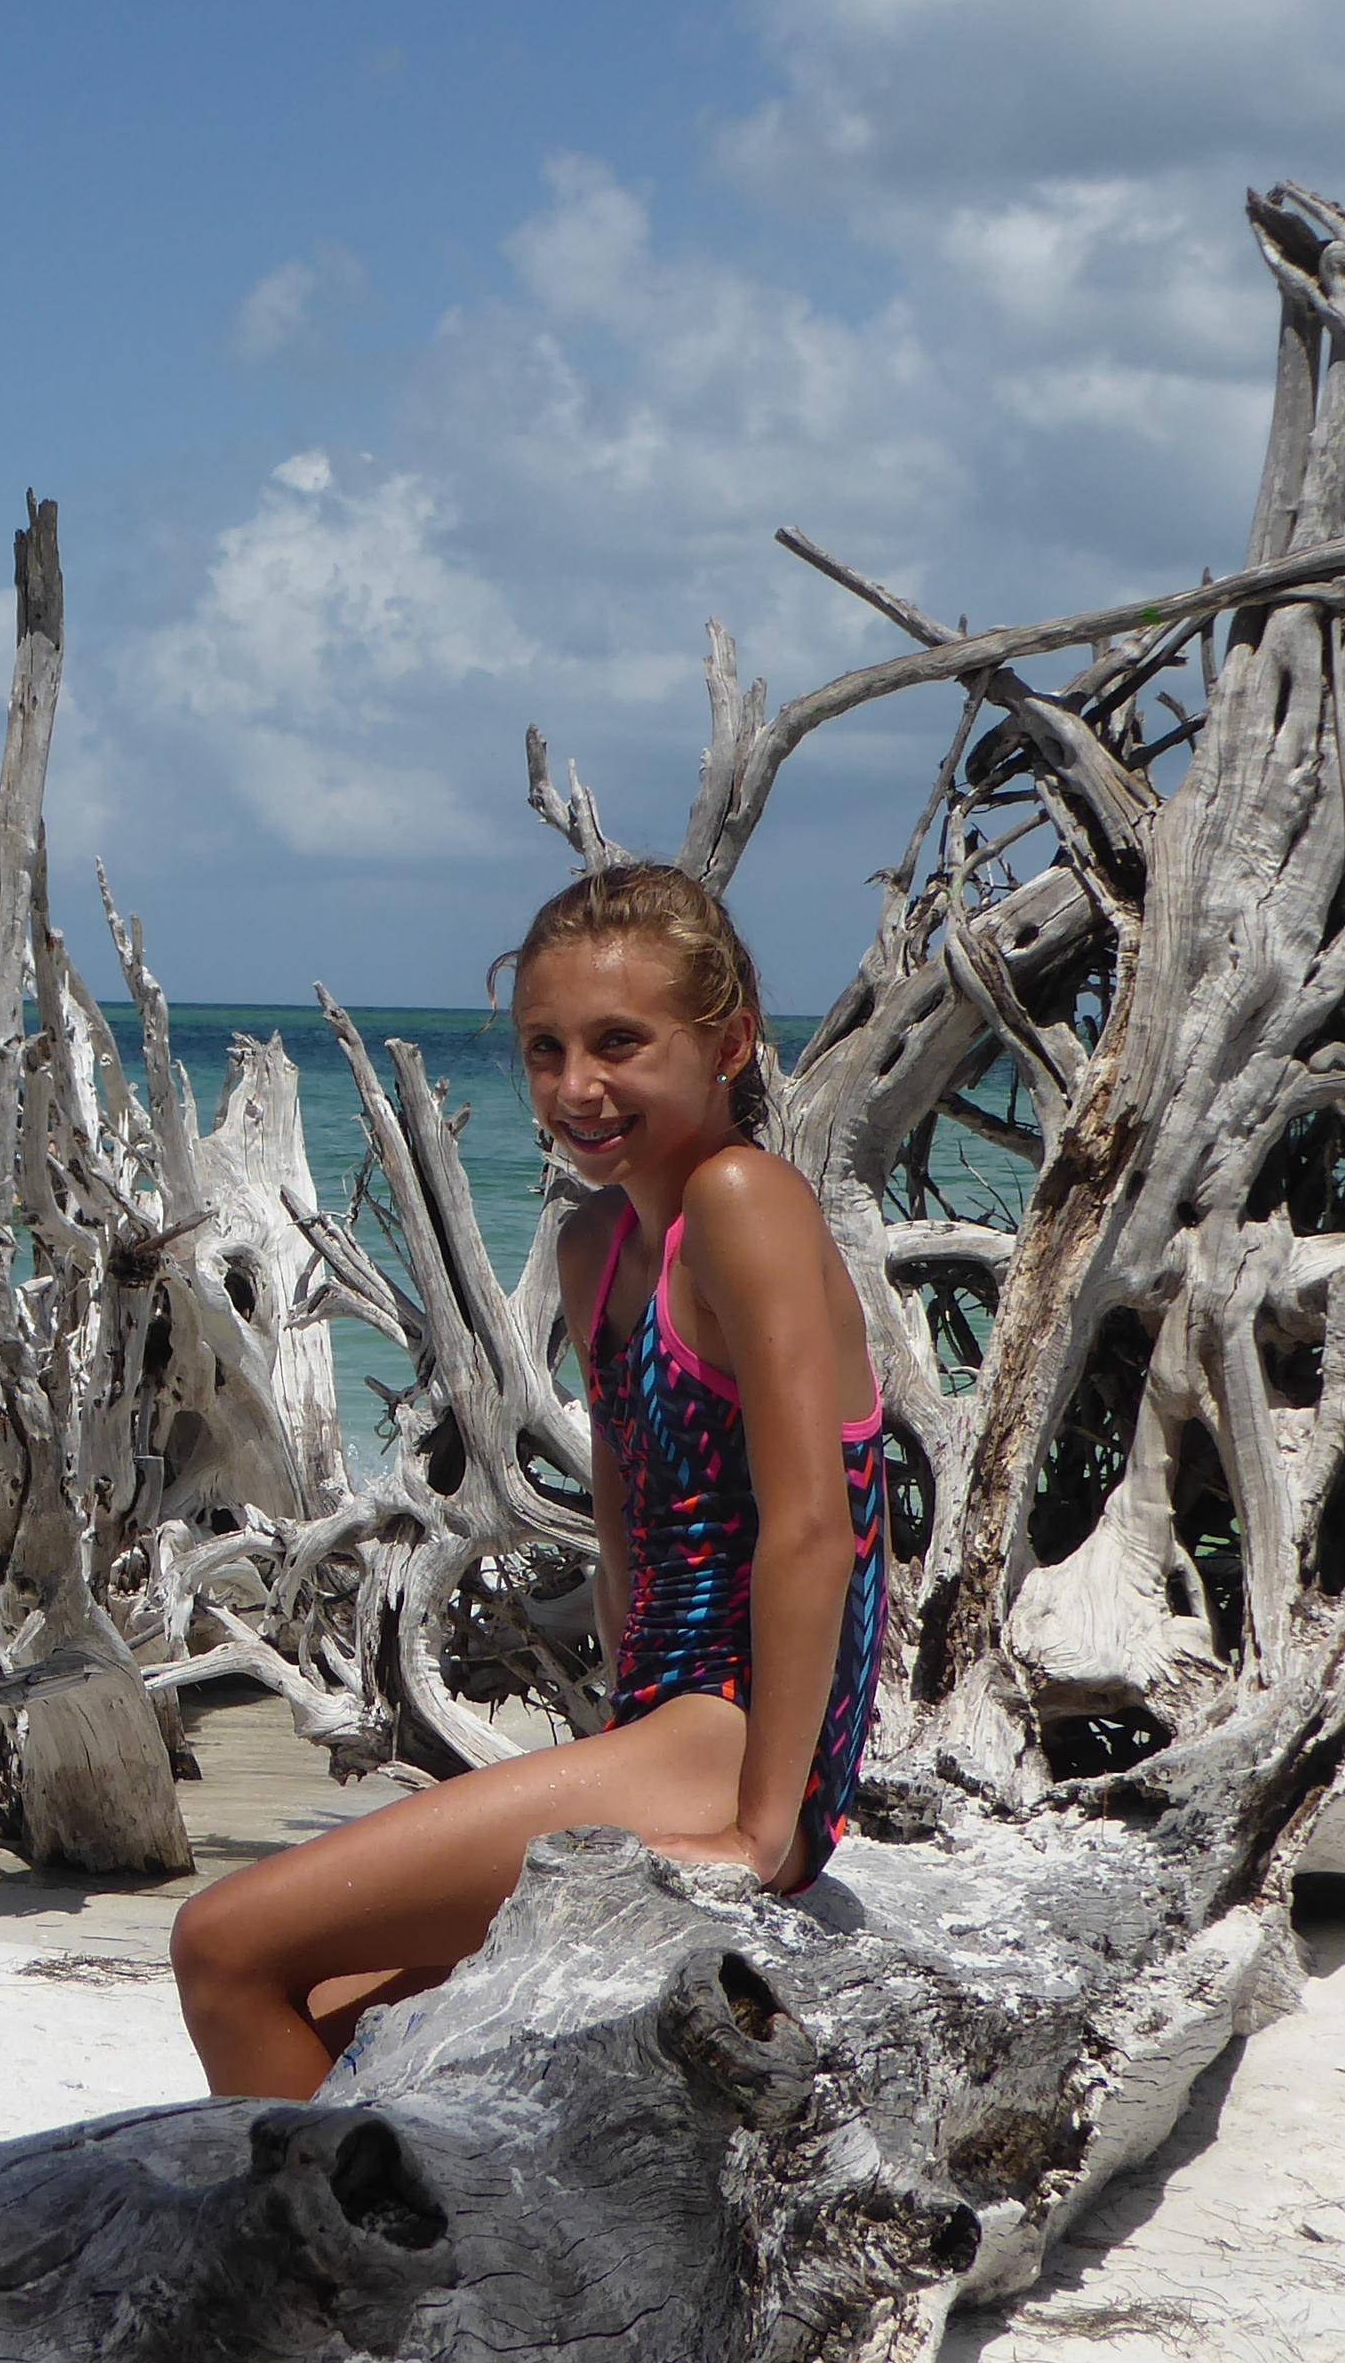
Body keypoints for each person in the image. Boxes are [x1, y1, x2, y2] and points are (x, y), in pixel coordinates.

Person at [167, 862, 887, 2098]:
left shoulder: (741, 1199)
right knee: (330, 2010)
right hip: (663, 1724)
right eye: (546, 1050)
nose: (576, 1088)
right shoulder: (597, 1244)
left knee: (220, 1943)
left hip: (740, 1737)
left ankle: (311, 2283)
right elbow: (628, 1547)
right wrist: (605, 1753)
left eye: (620, 1043)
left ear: (729, 1044)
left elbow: (816, 1528)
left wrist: (766, 1828)